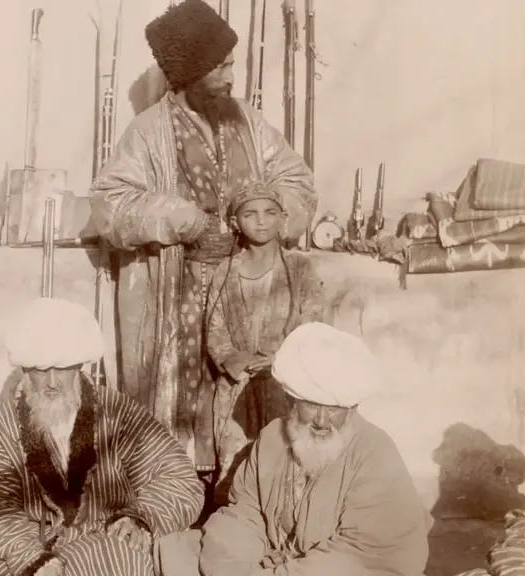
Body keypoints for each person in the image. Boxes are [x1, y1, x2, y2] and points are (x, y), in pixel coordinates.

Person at [89, 0, 317, 474]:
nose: (230, 76)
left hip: (247, 291)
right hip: (176, 296)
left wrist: (268, 215)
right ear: (187, 74)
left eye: (232, 63)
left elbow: (298, 182)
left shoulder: (250, 125)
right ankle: (179, 494)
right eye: (220, 67)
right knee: (181, 409)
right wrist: (180, 218)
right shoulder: (148, 133)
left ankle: (248, 489)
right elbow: (109, 204)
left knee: (248, 403)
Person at [0, 298, 204, 576]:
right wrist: (31, 557)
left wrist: (140, 518)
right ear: (24, 370)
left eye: (60, 368)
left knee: (118, 560)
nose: (50, 383)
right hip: (26, 536)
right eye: (39, 369)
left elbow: (177, 478)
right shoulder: (4, 422)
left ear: (78, 366)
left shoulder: (118, 411)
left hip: (100, 536)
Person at [155, 322, 432, 576]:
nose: (322, 421)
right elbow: (245, 514)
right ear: (291, 400)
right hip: (273, 562)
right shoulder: (273, 439)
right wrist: (236, 566)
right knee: (180, 552)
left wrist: (282, 572)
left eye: (334, 409)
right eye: (311, 405)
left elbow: (360, 557)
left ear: (352, 408)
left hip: (341, 570)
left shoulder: (375, 454)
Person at [206, 181, 325, 503]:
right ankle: (236, 530)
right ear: (235, 223)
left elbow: (312, 321)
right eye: (250, 214)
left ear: (282, 218)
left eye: (270, 212)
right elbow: (215, 328)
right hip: (237, 386)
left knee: (288, 462)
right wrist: (233, 361)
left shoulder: (300, 268)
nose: (261, 221)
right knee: (237, 461)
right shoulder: (226, 271)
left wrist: (279, 359)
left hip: (285, 385)